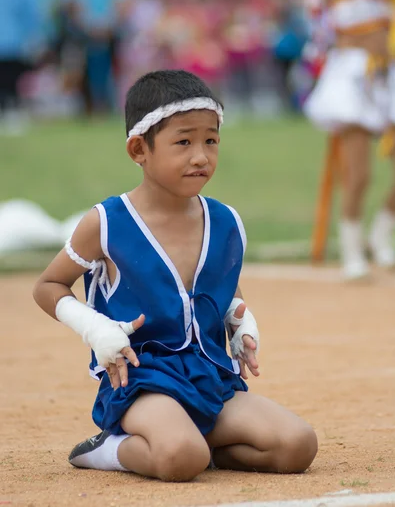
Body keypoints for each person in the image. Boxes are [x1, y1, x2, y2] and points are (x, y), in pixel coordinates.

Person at [33, 70, 318, 482]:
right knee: (182, 458)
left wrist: (239, 320)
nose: (200, 156)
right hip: (140, 380)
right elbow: (48, 286)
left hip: (210, 377)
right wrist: (94, 328)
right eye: (183, 141)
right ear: (138, 149)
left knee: (296, 445)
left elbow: (219, 283)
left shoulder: (225, 221)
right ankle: (109, 449)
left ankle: (202, 446)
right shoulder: (108, 222)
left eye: (211, 141)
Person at [304, 0, 395, 279]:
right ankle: (351, 251)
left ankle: (381, 235)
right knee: (358, 173)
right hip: (352, 73)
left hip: (389, 72)